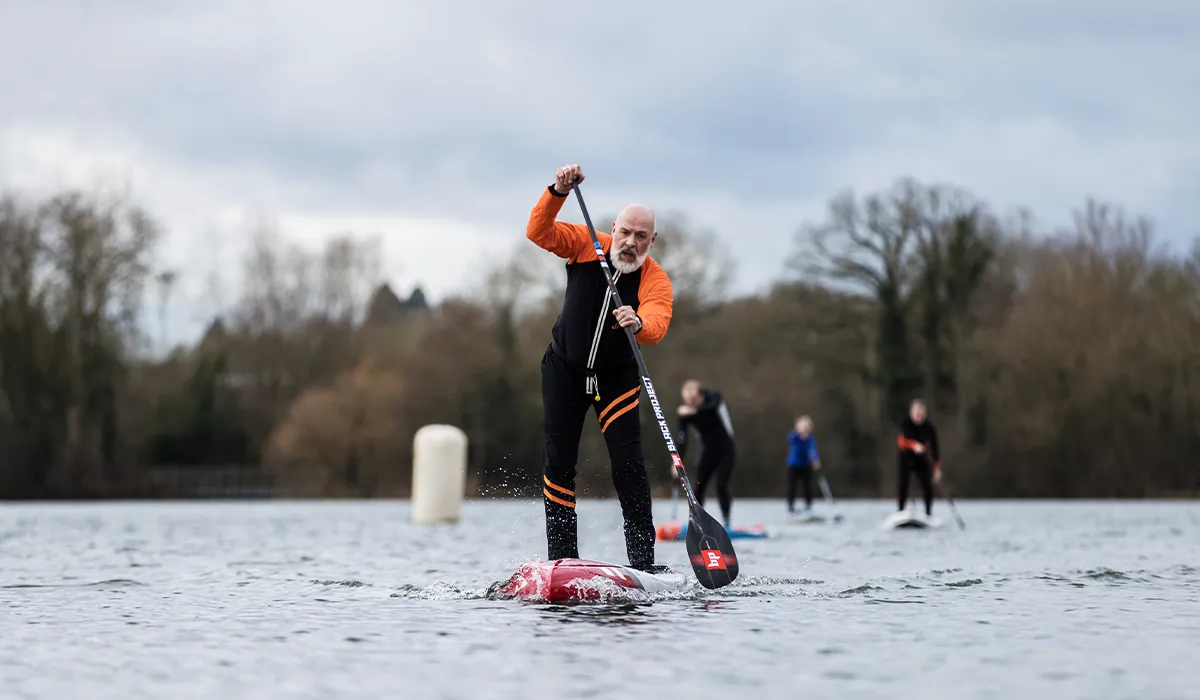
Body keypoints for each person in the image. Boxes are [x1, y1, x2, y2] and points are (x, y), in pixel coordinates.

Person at [527, 163, 674, 573]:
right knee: (558, 462)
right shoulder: (584, 243)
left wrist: (639, 323)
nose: (629, 243)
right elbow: (538, 233)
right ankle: (562, 561)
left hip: (616, 379)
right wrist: (557, 191)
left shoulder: (654, 278)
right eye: (625, 232)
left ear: (652, 240)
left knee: (628, 466)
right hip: (564, 371)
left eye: (640, 237)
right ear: (615, 227)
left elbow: (658, 322)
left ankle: (644, 566)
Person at [674, 379, 736, 528]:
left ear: (701, 395)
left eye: (694, 400)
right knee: (699, 487)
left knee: (721, 484)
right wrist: (676, 462)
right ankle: (697, 521)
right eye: (688, 401)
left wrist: (694, 410)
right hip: (707, 451)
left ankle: (727, 522)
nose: (692, 404)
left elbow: (712, 406)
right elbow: (682, 439)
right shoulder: (686, 414)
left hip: (726, 450)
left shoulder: (713, 398)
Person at [896, 398, 941, 516]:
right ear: (912, 413)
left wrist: (937, 469)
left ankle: (928, 512)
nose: (919, 416)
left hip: (922, 459)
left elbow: (935, 450)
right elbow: (901, 441)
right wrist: (913, 445)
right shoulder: (906, 424)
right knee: (903, 484)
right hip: (907, 457)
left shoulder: (929, 428)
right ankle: (900, 510)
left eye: (921, 413)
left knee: (927, 485)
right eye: (917, 413)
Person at [785, 416, 821, 513]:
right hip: (794, 465)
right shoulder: (794, 436)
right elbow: (790, 440)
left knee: (807, 487)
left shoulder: (810, 439)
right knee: (792, 486)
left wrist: (815, 460)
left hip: (805, 465)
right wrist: (800, 435)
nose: (805, 428)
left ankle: (808, 506)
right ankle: (790, 506)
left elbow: (813, 450)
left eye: (807, 426)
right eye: (803, 426)